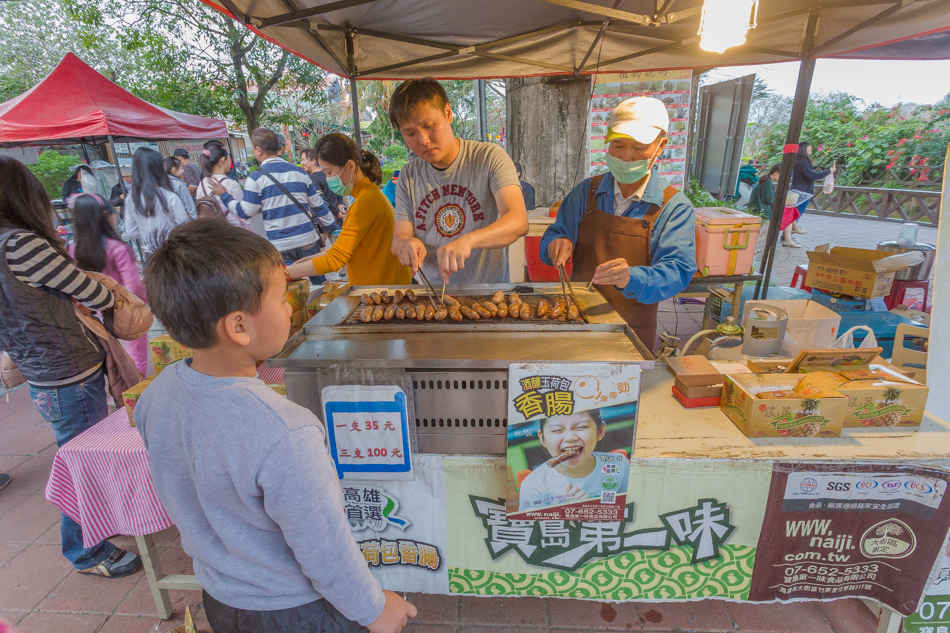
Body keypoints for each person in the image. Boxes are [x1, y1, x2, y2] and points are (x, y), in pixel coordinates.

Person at [137, 218, 417, 633]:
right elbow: (325, 549)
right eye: (282, 298)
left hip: (220, 600)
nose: (289, 307)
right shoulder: (286, 431)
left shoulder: (154, 396)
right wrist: (375, 609)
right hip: (294, 612)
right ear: (239, 326)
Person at [0, 156, 142, 577]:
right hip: (66, 371)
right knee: (82, 461)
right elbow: (89, 291)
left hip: (44, 370)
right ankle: (86, 551)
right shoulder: (20, 243)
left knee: (79, 453)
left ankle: (96, 529)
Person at [540, 97, 697, 351]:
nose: (626, 156)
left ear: (661, 146)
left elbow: (677, 271)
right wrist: (556, 243)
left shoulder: (674, 207)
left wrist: (632, 277)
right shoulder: (585, 193)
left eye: (638, 147)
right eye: (618, 144)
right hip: (576, 323)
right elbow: (557, 233)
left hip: (632, 331)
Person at [389, 79, 528, 284]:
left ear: (448, 113)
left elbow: (518, 221)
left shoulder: (489, 158)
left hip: (488, 294)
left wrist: (469, 241)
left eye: (428, 126)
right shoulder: (408, 176)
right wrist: (407, 244)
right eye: (410, 133)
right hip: (433, 298)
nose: (423, 140)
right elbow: (399, 239)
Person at [287, 134, 411, 286]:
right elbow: (338, 250)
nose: (328, 179)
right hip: (384, 287)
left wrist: (286, 273)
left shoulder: (366, 201)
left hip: (381, 293)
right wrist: (295, 266)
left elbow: (335, 259)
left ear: (350, 166)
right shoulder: (368, 194)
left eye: (329, 173)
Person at [212, 128, 336, 266]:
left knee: (288, 282)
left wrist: (224, 195)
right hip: (307, 239)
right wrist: (333, 226)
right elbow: (318, 205)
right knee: (319, 280)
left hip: (281, 244)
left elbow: (245, 212)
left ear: (259, 151)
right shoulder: (299, 173)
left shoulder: (256, 178)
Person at [68, 194, 149, 375]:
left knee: (109, 357)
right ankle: (134, 396)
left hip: (91, 313)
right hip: (124, 311)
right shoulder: (117, 248)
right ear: (105, 216)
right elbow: (133, 285)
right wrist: (145, 302)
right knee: (135, 355)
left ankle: (116, 396)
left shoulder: (73, 250)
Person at [517, 410, 629, 511]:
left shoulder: (619, 463)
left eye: (581, 427)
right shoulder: (533, 485)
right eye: (557, 430)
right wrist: (566, 514)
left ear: (600, 431)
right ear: (542, 438)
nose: (570, 438)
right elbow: (533, 531)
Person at [124, 148, 191, 258]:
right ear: (159, 168)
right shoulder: (169, 197)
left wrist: (147, 233)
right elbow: (185, 227)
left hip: (150, 256)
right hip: (173, 254)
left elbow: (130, 233)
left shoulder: (131, 198)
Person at [195, 142, 252, 230]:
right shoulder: (232, 185)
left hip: (213, 234)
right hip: (234, 233)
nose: (230, 160)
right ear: (222, 160)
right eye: (229, 157)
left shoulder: (201, 185)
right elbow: (244, 217)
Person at [789, 141, 835, 239]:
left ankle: (788, 235)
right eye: (809, 147)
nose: (810, 149)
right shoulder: (803, 162)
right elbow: (811, 175)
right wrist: (829, 171)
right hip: (803, 191)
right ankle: (787, 236)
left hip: (797, 190)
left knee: (794, 213)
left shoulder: (798, 161)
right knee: (796, 214)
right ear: (803, 149)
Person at [300, 147, 347, 230]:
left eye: (303, 160)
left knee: (319, 243)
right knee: (340, 241)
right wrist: (340, 205)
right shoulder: (329, 172)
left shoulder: (313, 178)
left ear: (313, 161)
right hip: (337, 219)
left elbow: (321, 200)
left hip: (322, 221)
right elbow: (339, 190)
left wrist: (336, 212)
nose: (302, 163)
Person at [748, 164, 780, 258]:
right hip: (762, 211)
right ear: (776, 173)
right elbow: (769, 199)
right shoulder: (767, 182)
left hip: (755, 209)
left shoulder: (764, 179)